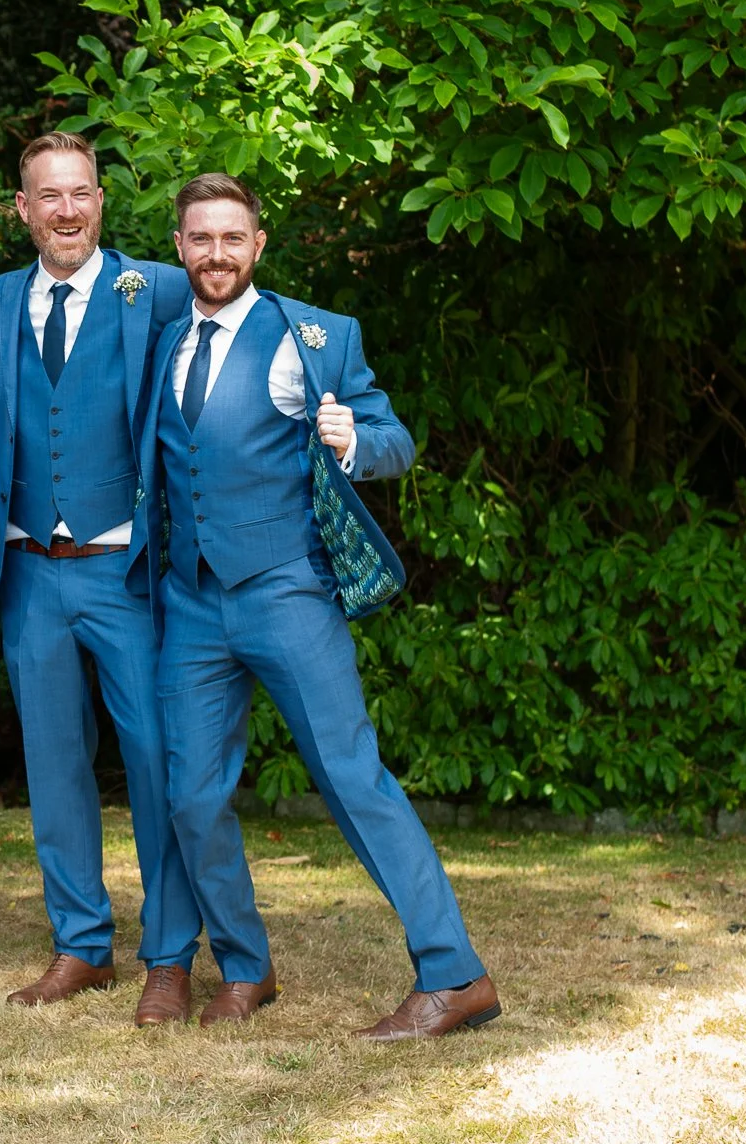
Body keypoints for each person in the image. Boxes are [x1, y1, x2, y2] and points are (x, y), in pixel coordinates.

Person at [146, 171, 498, 1038]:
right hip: (192, 605)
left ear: (258, 244)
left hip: (287, 591)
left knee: (352, 778)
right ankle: (244, 967)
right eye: (202, 238)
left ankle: (454, 974)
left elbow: (396, 440)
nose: (217, 252)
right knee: (190, 794)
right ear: (180, 246)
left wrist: (354, 441)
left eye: (234, 237)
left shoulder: (314, 335)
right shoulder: (164, 342)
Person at [0, 132, 203, 1018]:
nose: (67, 209)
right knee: (55, 765)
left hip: (128, 574)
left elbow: (247, 314)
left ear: (101, 201)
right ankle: (80, 945)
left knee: (154, 760)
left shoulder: (161, 289)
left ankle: (170, 954)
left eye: (82, 193)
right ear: (22, 209)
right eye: (48, 195)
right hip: (31, 572)